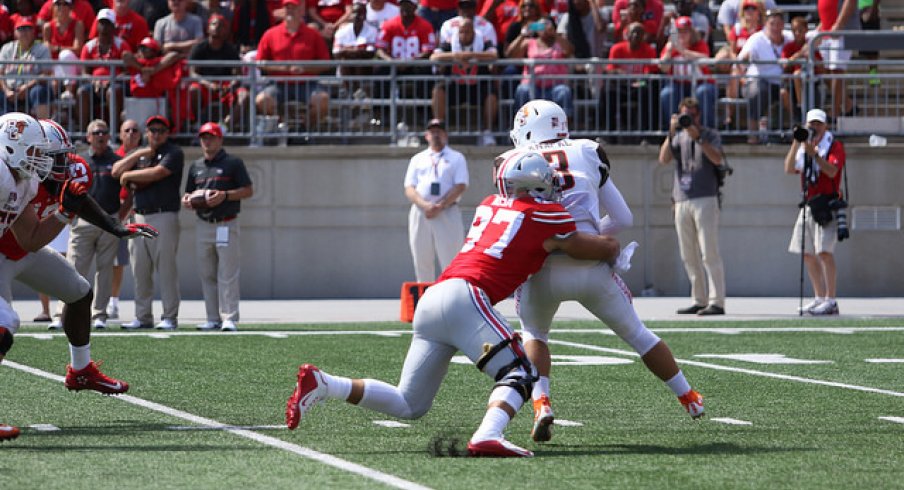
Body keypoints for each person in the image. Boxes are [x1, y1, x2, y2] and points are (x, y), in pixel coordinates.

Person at [284, 150, 621, 458]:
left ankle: (326, 384)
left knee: (410, 403)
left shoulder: (489, 205)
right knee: (521, 371)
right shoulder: (544, 214)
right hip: (467, 296)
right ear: (533, 185)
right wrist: (612, 246)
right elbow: (583, 246)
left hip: (434, 298)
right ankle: (489, 434)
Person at [508, 99, 705, 443]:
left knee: (534, 333)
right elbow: (624, 219)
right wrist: (589, 236)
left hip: (543, 265)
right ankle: (688, 397)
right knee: (639, 335)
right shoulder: (587, 151)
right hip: (590, 263)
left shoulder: (510, 163)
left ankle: (541, 403)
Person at [0, 113, 157, 441]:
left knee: (78, 291)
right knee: (4, 328)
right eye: (44, 154)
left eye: (52, 154)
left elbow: (33, 236)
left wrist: (113, 226)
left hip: (23, 252)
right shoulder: (7, 173)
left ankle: (81, 370)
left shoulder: (29, 179)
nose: (54, 163)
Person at [113, 115, 184, 330]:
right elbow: (116, 171)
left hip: (163, 215)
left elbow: (157, 173)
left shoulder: (173, 152)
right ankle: (142, 316)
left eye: (161, 130)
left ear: (168, 133)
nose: (156, 134)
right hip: (139, 215)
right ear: (147, 132)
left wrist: (129, 176)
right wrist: (142, 152)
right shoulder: (142, 154)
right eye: (152, 130)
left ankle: (169, 317)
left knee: (166, 269)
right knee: (140, 269)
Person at [182, 122, 254, 332]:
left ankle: (229, 317)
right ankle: (212, 317)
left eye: (211, 137)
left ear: (220, 139)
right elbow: (188, 193)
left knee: (227, 272)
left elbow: (248, 190)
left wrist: (226, 195)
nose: (207, 141)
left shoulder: (233, 163)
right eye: (204, 137)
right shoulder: (196, 166)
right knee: (207, 273)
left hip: (226, 222)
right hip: (203, 223)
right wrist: (186, 201)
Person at [658, 97, 726, 316]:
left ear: (698, 114)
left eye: (691, 114)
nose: (687, 119)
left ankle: (717, 301)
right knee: (688, 254)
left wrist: (698, 137)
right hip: (681, 199)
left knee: (709, 252)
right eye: (683, 114)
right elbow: (663, 159)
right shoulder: (676, 137)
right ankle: (699, 298)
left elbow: (717, 160)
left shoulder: (710, 134)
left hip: (705, 197)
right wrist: (670, 132)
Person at [61, 120, 124, 330]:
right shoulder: (79, 161)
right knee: (73, 267)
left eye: (104, 132)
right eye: (96, 132)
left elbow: (129, 191)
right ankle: (63, 313)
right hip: (83, 220)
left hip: (108, 221)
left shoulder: (117, 161)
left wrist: (119, 217)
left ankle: (99, 315)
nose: (100, 136)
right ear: (88, 137)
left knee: (105, 269)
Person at [783, 108, 845, 316]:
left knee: (824, 252)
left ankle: (831, 299)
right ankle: (819, 297)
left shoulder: (834, 146)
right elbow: (789, 168)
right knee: (807, 253)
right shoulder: (803, 147)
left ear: (825, 126)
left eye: (818, 124)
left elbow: (832, 171)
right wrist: (796, 141)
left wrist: (815, 156)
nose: (814, 128)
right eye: (811, 124)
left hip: (827, 204)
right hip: (809, 203)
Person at [403, 119, 468, 283]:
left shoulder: (456, 157)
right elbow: (409, 188)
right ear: (426, 135)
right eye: (432, 131)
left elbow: (461, 185)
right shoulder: (418, 159)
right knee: (422, 258)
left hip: (447, 211)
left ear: (445, 135)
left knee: (451, 259)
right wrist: (425, 205)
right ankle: (424, 300)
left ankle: (451, 300)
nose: (436, 134)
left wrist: (441, 205)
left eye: (439, 131)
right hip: (422, 212)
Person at [255, 0, 332, 128]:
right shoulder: (270, 34)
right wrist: (282, 68)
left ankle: (304, 128)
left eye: (294, 7)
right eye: (287, 7)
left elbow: (325, 63)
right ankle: (282, 124)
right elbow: (259, 63)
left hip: (307, 84)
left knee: (323, 101)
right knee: (262, 101)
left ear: (301, 10)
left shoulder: (313, 34)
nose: (290, 10)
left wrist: (304, 69)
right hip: (278, 84)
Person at [429, 18, 499, 146]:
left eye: (467, 32)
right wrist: (455, 56)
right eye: (461, 32)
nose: (464, 35)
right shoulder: (450, 41)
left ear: (473, 32)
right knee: (438, 89)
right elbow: (434, 56)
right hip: (456, 85)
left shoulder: (483, 40)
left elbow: (494, 55)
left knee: (491, 93)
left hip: (476, 85)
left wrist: (472, 55)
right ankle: (440, 129)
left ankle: (487, 132)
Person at [736, 8, 792, 144]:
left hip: (782, 84)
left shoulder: (790, 37)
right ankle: (753, 134)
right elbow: (741, 61)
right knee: (759, 91)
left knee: (796, 88)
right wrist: (746, 58)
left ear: (783, 25)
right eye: (772, 23)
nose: (775, 27)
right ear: (766, 24)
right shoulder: (756, 39)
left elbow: (809, 38)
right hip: (758, 82)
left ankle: (797, 130)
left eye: (779, 24)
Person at [107, 120, 144, 321]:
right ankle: (111, 302)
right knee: (113, 259)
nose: (131, 133)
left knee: (137, 261)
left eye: (134, 130)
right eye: (126, 130)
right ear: (120, 134)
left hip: (139, 210)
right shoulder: (115, 156)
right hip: (118, 210)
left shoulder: (148, 157)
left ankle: (137, 308)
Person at [506, 16, 575, 121]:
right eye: (540, 26)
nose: (544, 28)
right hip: (532, 86)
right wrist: (522, 35)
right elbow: (510, 54)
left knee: (564, 91)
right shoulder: (529, 42)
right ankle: (520, 124)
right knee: (522, 90)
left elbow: (569, 51)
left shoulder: (559, 42)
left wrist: (554, 34)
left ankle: (565, 130)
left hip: (554, 87)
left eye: (546, 25)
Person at [188, 13, 248, 130]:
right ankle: (196, 124)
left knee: (244, 94)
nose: (217, 28)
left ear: (226, 31)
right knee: (193, 90)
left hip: (225, 86)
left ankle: (226, 126)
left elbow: (238, 74)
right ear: (208, 28)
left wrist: (230, 86)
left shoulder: (231, 49)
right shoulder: (199, 48)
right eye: (214, 24)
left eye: (221, 26)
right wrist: (208, 84)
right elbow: (192, 73)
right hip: (205, 85)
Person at [658, 15, 716, 130]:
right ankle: (673, 129)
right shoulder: (670, 47)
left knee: (703, 92)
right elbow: (663, 68)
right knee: (667, 94)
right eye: (679, 31)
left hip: (700, 82)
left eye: (686, 31)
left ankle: (706, 130)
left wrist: (682, 51)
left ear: (692, 32)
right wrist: (669, 52)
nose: (682, 35)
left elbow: (704, 61)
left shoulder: (700, 45)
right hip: (678, 83)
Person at [0, 18, 53, 119]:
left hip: (32, 88)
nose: (25, 32)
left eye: (28, 28)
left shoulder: (42, 49)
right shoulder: (7, 48)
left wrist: (26, 87)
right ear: (15, 32)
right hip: (10, 90)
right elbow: (0, 73)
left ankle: (43, 128)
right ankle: (3, 129)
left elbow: (46, 73)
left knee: (39, 92)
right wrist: (7, 91)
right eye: (21, 29)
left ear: (34, 32)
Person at [816, 0, 859, 119]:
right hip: (826, 31)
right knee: (824, 70)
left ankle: (835, 112)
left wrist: (839, 24)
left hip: (840, 31)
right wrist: (821, 26)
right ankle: (848, 105)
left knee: (836, 71)